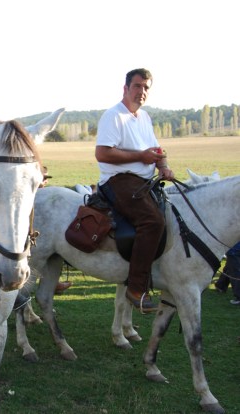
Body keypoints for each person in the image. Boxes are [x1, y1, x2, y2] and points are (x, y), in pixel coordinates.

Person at [95, 68, 174, 314]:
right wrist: (141, 156)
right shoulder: (113, 116)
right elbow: (102, 153)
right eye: (137, 86)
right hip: (119, 180)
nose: (142, 92)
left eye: (146, 87)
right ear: (126, 88)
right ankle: (136, 288)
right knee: (152, 221)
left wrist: (163, 165)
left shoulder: (144, 117)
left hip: (142, 181)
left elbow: (155, 148)